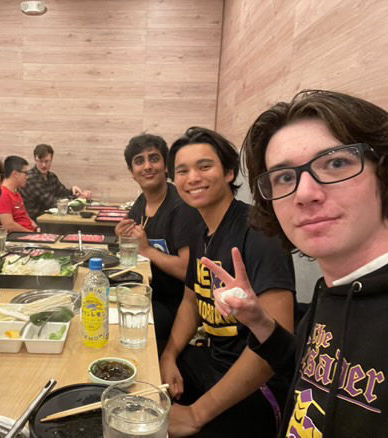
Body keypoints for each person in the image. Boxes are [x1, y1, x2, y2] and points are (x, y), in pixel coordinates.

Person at [203, 90, 388, 437]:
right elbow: (309, 373)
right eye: (285, 177)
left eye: (335, 163)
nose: (305, 193)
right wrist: (258, 320)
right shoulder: (332, 290)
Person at [161, 127, 296, 437]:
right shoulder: (199, 230)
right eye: (182, 171)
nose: (192, 177)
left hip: (259, 387)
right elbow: (191, 300)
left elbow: (277, 341)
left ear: (229, 172)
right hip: (213, 361)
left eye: (204, 166)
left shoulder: (259, 233)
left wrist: (196, 413)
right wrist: (168, 355)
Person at [114, 133, 203, 352]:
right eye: (139, 161)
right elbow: (132, 242)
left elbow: (189, 270)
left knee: (122, 330)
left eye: (154, 158)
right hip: (145, 292)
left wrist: (145, 249)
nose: (147, 166)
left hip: (176, 307)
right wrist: (123, 237)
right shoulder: (142, 202)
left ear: (166, 166)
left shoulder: (182, 207)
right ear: (132, 173)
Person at [20, 143, 92, 220]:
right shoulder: (30, 178)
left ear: (51, 160)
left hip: (51, 219)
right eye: (40, 161)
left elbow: (63, 192)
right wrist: (77, 198)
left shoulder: (51, 176)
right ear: (35, 160)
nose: (43, 165)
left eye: (47, 161)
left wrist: (73, 191)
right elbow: (51, 202)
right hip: (35, 221)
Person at [0, 155, 38, 232]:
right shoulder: (2, 194)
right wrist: (31, 234)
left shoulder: (16, 193)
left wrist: (37, 229)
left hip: (28, 234)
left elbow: (25, 217)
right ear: (15, 174)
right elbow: (8, 225)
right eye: (25, 173)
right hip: (18, 238)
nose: (27, 177)